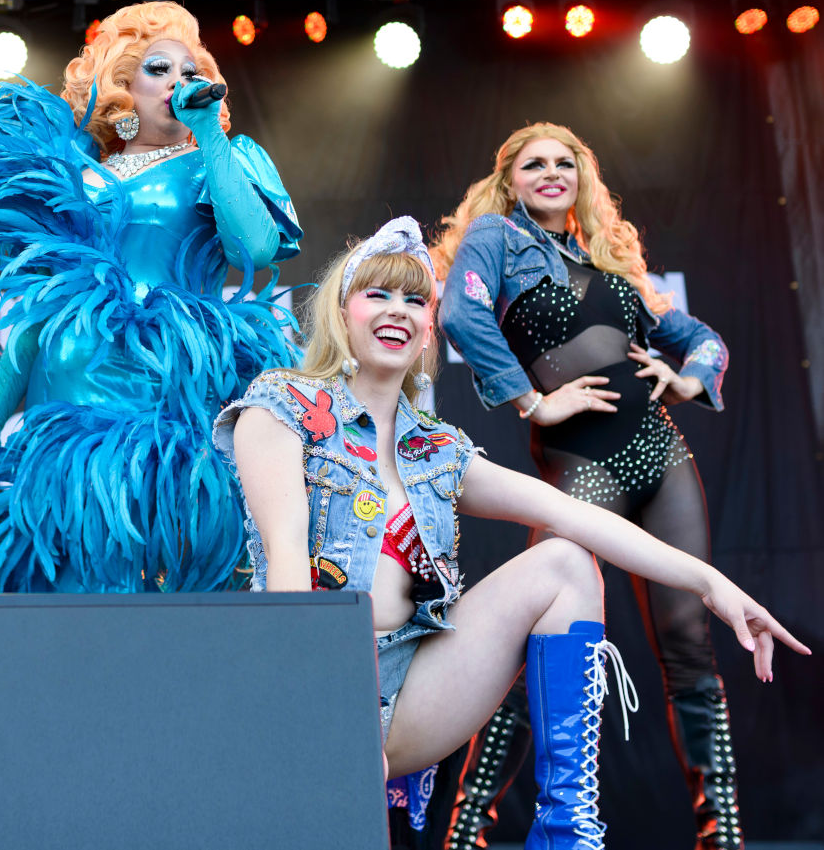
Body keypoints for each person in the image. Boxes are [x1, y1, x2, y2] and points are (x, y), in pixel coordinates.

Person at [213, 217, 806, 849]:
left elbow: (579, 516)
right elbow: (285, 572)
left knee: (566, 561)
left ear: (430, 328)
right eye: (378, 294)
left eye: (417, 300)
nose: (399, 312)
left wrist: (712, 583)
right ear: (343, 309)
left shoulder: (438, 449)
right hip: (311, 679)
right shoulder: (283, 406)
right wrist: (317, 714)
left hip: (416, 688)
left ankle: (566, 832)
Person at [0, 0, 302, 593]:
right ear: (122, 85)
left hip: (166, 381)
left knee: (163, 554)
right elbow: (40, 308)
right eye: (159, 68)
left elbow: (254, 247)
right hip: (65, 389)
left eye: (191, 69)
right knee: (67, 566)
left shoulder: (217, 161)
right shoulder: (78, 174)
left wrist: (208, 133)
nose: (180, 80)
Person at [432, 124, 741, 849]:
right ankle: (468, 828)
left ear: (581, 178)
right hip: (583, 465)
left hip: (662, 457)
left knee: (690, 642)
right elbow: (459, 311)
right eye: (533, 164)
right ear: (511, 180)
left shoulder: (608, 259)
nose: (550, 173)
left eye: (563, 163)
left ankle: (721, 836)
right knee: (539, 635)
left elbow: (703, 340)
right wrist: (533, 401)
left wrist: (688, 377)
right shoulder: (496, 240)